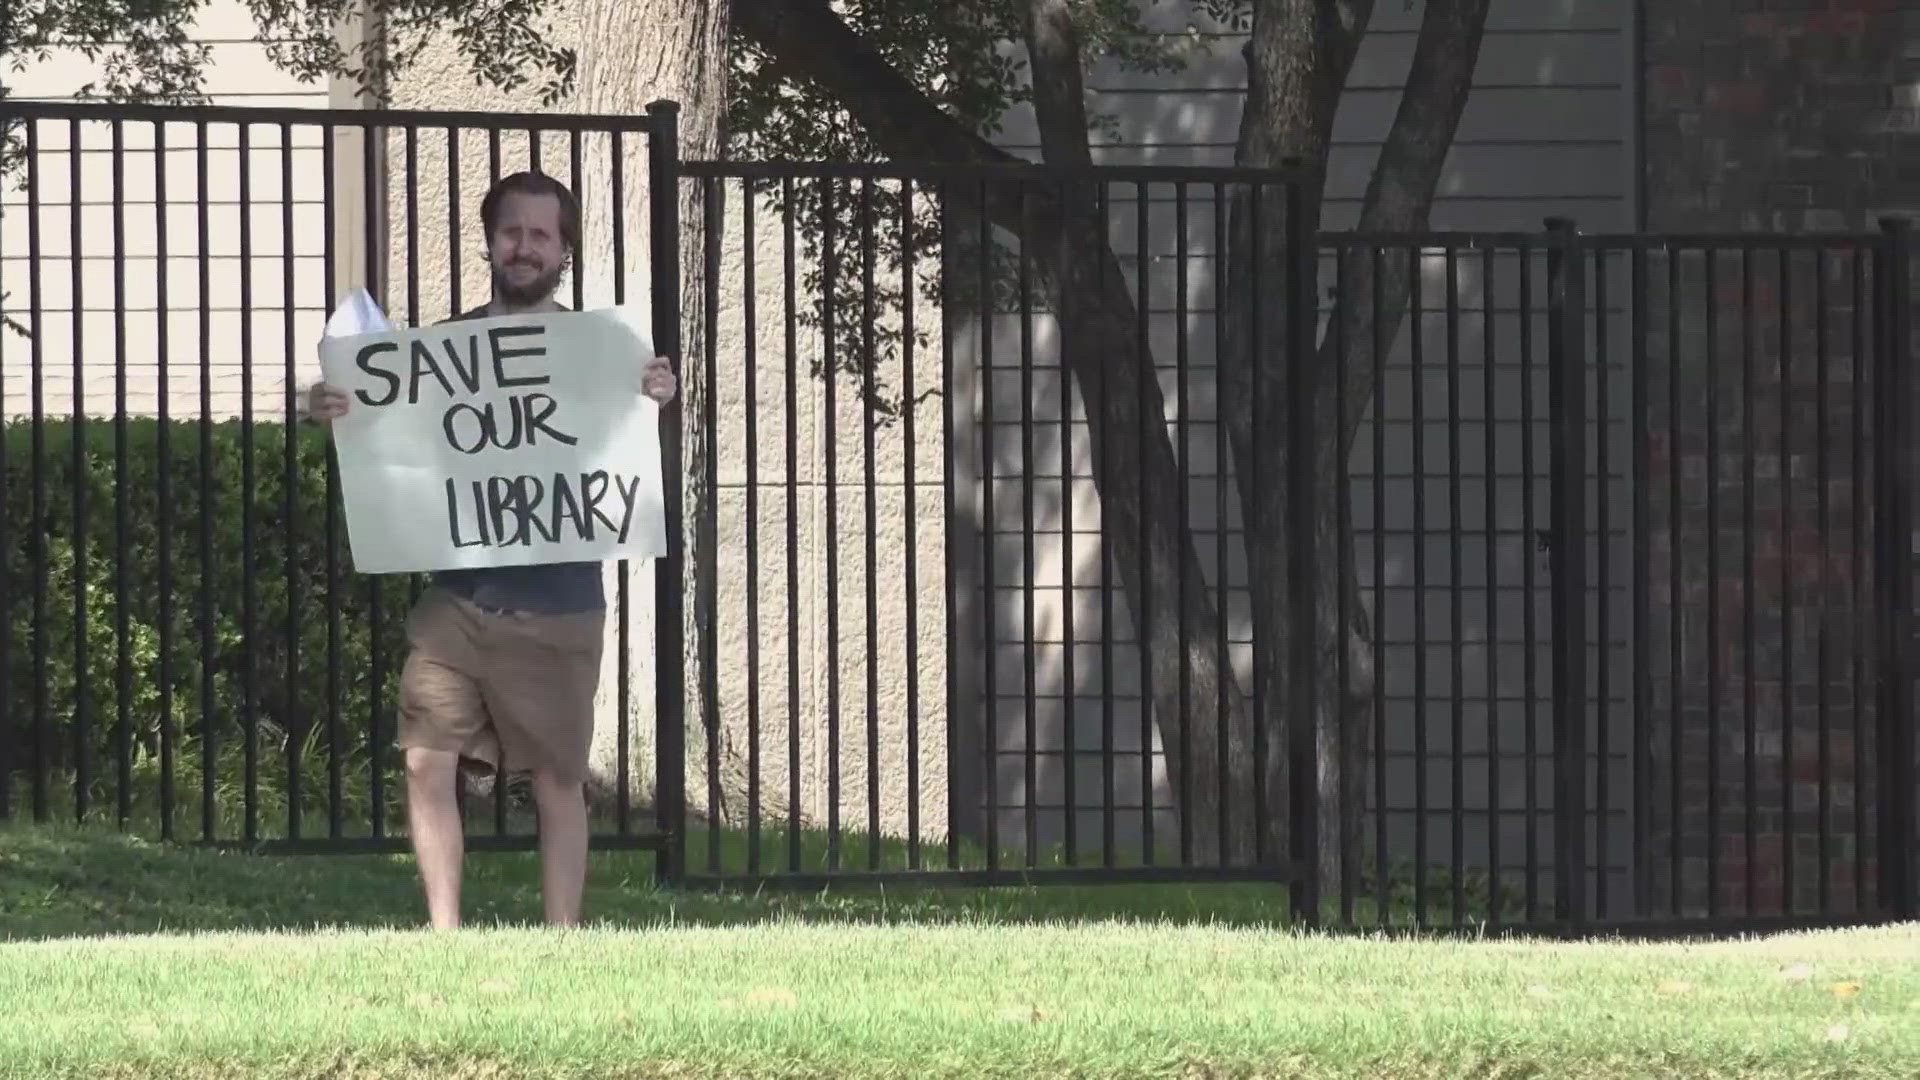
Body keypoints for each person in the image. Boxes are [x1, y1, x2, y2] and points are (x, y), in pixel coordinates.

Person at [307, 170, 677, 929]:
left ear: (565, 250)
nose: (525, 247)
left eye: (542, 234)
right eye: (512, 231)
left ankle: (560, 941)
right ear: (490, 242)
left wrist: (655, 399)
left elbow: (627, 455)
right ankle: (446, 933)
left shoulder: (601, 354)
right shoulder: (445, 352)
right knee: (424, 757)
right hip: (458, 603)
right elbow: (390, 440)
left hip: (561, 606)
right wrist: (335, 408)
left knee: (557, 780)